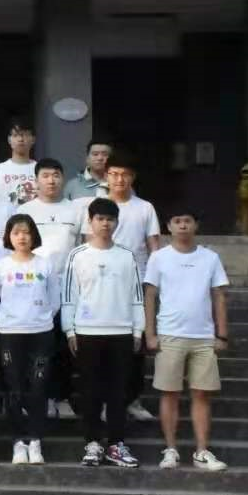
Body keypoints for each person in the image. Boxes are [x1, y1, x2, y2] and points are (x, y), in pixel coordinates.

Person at [144, 209, 230, 472]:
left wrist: (222, 334)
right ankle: (170, 449)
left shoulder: (210, 257)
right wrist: (150, 333)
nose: (182, 225)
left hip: (203, 336)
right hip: (170, 334)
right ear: (169, 226)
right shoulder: (159, 257)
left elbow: (219, 295)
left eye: (187, 221)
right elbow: (150, 295)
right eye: (177, 221)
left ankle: (201, 451)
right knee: (169, 393)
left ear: (196, 225)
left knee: (202, 394)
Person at [62, 198, 144, 469]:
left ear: (117, 223)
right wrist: (69, 329)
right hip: (87, 332)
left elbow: (136, 297)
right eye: (100, 218)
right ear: (90, 221)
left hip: (121, 332)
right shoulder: (78, 255)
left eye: (110, 219)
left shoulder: (127, 256)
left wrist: (138, 330)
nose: (105, 224)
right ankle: (93, 443)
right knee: (90, 391)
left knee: (118, 392)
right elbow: (69, 296)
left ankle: (116, 444)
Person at [81, 152, 161, 423]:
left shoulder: (145, 208)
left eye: (125, 174)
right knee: (104, 349)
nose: (119, 179)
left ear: (133, 178)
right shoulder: (95, 206)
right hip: (100, 286)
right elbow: (86, 244)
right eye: (114, 174)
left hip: (135, 286)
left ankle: (132, 399)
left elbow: (154, 247)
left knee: (135, 347)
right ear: (106, 176)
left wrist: (154, 282)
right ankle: (105, 402)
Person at [0, 214, 60, 466]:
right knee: (14, 389)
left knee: (38, 387)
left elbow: (55, 301)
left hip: (41, 334)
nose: (22, 237)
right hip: (10, 335)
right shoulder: (0, 267)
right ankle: (18, 442)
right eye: (16, 232)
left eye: (26, 232)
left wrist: (39, 317)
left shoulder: (45, 265)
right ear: (9, 236)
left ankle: (35, 440)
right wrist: (12, 317)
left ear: (34, 236)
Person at [17, 158, 83, 420]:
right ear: (36, 180)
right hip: (32, 286)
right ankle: (38, 397)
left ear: (63, 179)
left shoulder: (75, 210)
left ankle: (62, 397)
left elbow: (82, 247)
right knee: (36, 348)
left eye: (56, 175)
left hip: (67, 286)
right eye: (45, 175)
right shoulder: (25, 210)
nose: (51, 180)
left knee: (62, 346)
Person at [0, 117, 38, 206]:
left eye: (25, 135)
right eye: (15, 135)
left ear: (33, 139)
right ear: (9, 140)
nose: (20, 139)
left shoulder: (40, 170)